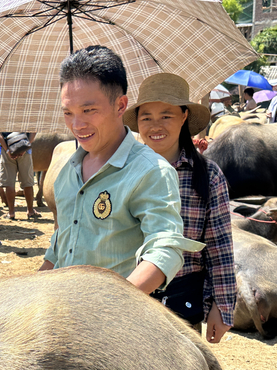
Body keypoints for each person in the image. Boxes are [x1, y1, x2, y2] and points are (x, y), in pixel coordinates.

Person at [38, 46, 203, 297]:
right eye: (68, 113)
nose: (77, 125)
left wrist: (115, 304)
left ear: (120, 105)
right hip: (61, 313)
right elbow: (60, 244)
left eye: (88, 110)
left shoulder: (151, 172)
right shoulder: (68, 170)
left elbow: (165, 249)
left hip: (112, 324)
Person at [124, 73, 236, 340]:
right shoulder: (120, 172)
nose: (155, 125)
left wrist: (222, 306)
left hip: (181, 300)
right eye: (146, 117)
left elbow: (219, 247)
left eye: (166, 115)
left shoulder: (207, 175)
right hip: (125, 296)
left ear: (184, 117)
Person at [0, 131, 40, 220]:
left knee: (9, 183)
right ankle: (30, 211)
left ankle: (11, 213)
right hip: (25, 151)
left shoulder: (0, 117)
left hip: (7, 149)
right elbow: (33, 132)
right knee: (28, 182)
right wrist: (25, 147)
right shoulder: (26, 116)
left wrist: (8, 151)